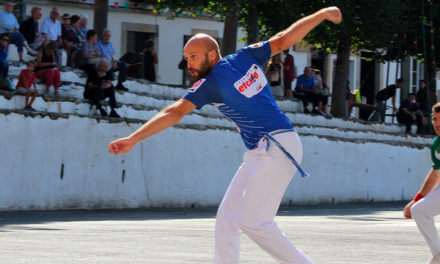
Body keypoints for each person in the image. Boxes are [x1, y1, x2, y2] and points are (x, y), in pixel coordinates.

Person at [108, 7, 342, 264]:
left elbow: (174, 113)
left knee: (255, 223)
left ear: (212, 53)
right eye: (187, 58)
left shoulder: (211, 83)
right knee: (227, 217)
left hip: (275, 146)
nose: (189, 64)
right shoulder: (244, 56)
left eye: (194, 57)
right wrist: (322, 14)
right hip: (262, 149)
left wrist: (133, 139)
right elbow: (284, 38)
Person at [403, 102, 440, 264]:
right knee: (419, 210)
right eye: (435, 119)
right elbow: (435, 174)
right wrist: (416, 199)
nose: (437, 123)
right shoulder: (437, 146)